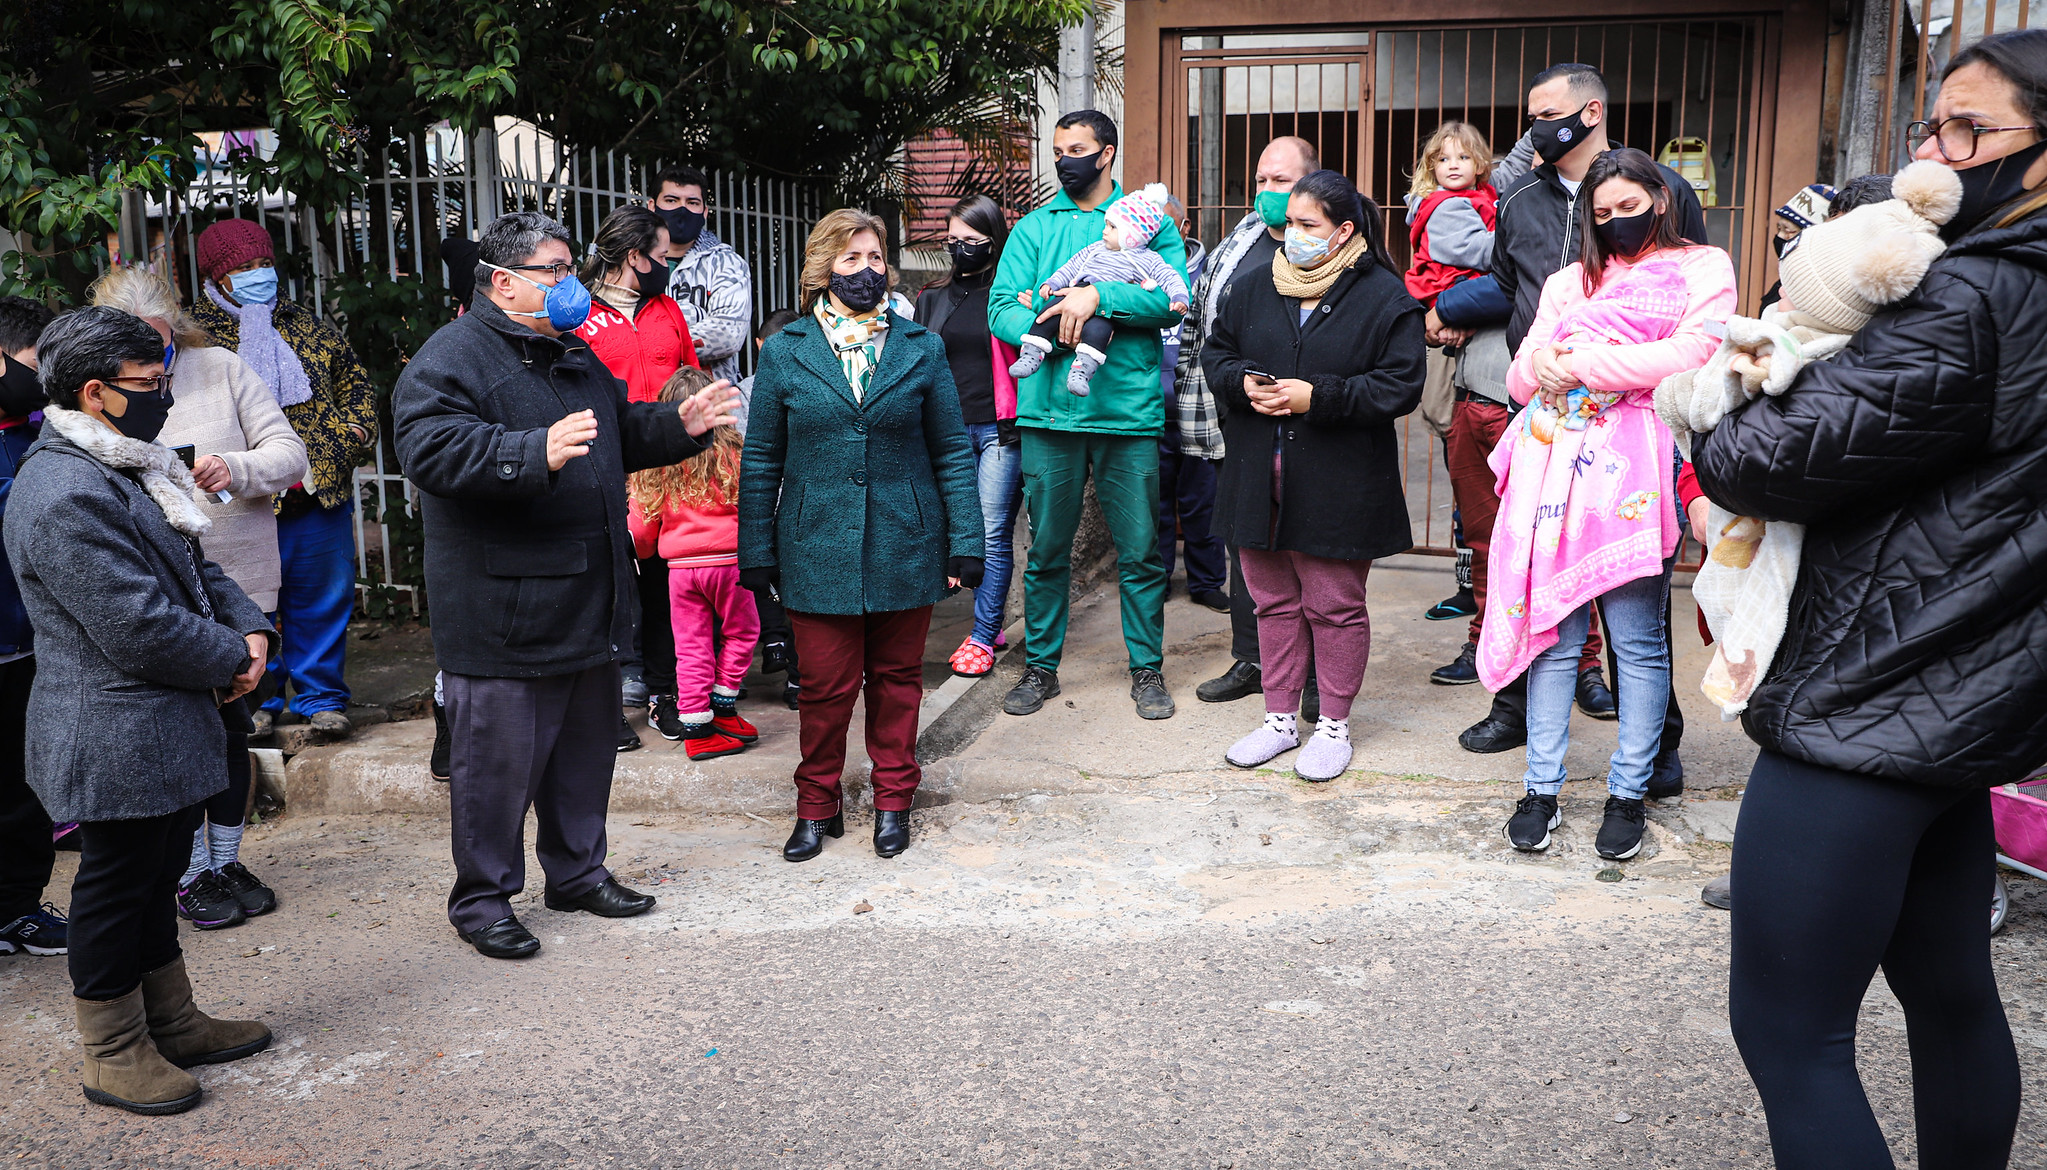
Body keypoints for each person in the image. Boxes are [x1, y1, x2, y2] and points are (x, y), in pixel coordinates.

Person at [1696, 30, 2047, 1165]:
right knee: (1949, 991)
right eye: (1931, 126)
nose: (1933, 155)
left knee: (1789, 1034)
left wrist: (1735, 387)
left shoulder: (1975, 293)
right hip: (1973, 694)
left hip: (1872, 698)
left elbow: (1756, 460)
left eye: (1969, 131)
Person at [392, 211, 740, 960]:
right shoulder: (450, 357)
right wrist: (532, 452)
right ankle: (483, 901)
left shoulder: (570, 349)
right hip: (505, 609)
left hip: (589, 595)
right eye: (552, 270)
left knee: (584, 755)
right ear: (503, 282)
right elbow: (429, 451)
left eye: (566, 267)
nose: (568, 282)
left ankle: (577, 873)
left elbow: (618, 429)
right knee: (496, 771)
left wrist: (678, 424)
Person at [5, 306, 277, 1115]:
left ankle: (173, 1021)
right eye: (151, 383)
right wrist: (229, 658)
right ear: (95, 393)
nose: (165, 397)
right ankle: (113, 1051)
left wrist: (249, 631)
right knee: (116, 886)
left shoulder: (128, 463)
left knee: (158, 875)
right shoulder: (62, 490)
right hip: (113, 729)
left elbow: (195, 569)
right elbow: (137, 625)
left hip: (161, 720)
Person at [1482, 148, 1734, 862]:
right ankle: (1540, 788)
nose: (1617, 221)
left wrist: (1580, 365)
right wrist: (1545, 365)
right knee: (1555, 641)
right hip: (1553, 477)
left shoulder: (1702, 267)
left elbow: (1695, 355)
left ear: (1660, 199)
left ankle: (1628, 792)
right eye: (1602, 213)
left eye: (1629, 207)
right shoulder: (1570, 281)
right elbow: (1521, 376)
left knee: (1637, 642)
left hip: (1635, 476)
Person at [1455, 61, 1708, 767]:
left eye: (1546, 113)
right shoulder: (1519, 196)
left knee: (1636, 612)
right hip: (1546, 418)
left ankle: (1655, 748)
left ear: (1590, 112)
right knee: (1529, 580)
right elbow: (1509, 286)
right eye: (1532, 115)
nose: (1534, 127)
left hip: (1635, 432)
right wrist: (1458, 314)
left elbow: (1687, 303)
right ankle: (1513, 712)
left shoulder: (1664, 187)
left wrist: (1587, 365)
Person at [740, 208, 982, 863]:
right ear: (824, 269)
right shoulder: (786, 351)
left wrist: (967, 540)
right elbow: (760, 458)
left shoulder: (920, 346)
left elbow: (951, 451)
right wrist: (755, 549)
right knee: (823, 689)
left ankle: (893, 800)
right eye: (851, 259)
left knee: (897, 681)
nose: (866, 270)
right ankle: (816, 806)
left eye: (875, 258)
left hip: (906, 539)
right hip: (814, 543)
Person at [89, 267, 310, 931]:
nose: (152, 359)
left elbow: (290, 455)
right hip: (157, 594)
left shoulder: (221, 368)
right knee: (183, 735)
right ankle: (187, 873)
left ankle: (225, 861)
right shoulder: (97, 393)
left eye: (159, 342)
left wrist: (234, 468)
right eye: (134, 346)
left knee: (235, 727)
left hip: (237, 582)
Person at [1201, 170, 1426, 781]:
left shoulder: (1384, 296)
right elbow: (1216, 352)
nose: (1292, 235)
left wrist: (1316, 397)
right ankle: (1279, 721)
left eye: (1308, 225)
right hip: (1258, 475)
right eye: (1290, 223)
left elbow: (1400, 385)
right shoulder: (1256, 284)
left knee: (1334, 606)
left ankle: (1333, 726)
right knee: (1272, 603)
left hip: (1338, 483)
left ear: (1343, 230)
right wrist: (1242, 382)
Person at [989, 109, 1187, 721]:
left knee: (1141, 551)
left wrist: (1099, 295)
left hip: (1125, 412)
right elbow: (1001, 308)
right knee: (1046, 550)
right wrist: (1057, 325)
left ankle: (1147, 668)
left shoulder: (1148, 220)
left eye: (1077, 149)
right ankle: (1040, 668)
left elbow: (1172, 300)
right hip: (1049, 414)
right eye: (1058, 150)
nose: (1064, 161)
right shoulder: (1034, 228)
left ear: (1107, 154)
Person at [191, 218, 376, 740]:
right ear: (217, 277)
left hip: (316, 493)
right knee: (250, 604)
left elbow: (355, 384)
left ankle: (322, 699)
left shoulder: (304, 324)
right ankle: (258, 700)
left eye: (264, 264)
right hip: (242, 499)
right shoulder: (196, 339)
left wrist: (350, 434)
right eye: (244, 268)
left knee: (322, 598)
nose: (259, 274)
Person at [1180, 136, 1319, 711]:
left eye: (1280, 181)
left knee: (1309, 549)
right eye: (1261, 180)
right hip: (1240, 415)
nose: (1266, 191)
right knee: (1245, 541)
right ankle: (1253, 658)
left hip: (1310, 422)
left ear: (1309, 183)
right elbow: (1211, 333)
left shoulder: (1328, 246)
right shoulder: (1240, 243)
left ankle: (1315, 672)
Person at [575, 204, 702, 750]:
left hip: (669, 471)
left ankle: (664, 693)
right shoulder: (579, 315)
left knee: (663, 588)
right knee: (607, 591)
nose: (668, 264)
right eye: (661, 256)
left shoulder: (668, 310)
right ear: (634, 256)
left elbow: (692, 378)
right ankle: (604, 707)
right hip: (606, 469)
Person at [916, 195, 1025, 678]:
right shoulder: (931, 297)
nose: (960, 249)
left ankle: (982, 635)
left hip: (999, 427)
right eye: (952, 239)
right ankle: (991, 619)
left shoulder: (1010, 295)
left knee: (991, 529)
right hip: (945, 432)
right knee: (948, 530)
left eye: (972, 240)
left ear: (994, 241)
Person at [628, 364, 759, 756]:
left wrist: (646, 551)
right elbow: (755, 507)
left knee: (691, 647)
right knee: (742, 632)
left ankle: (696, 726)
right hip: (729, 563)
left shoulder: (656, 460)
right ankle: (723, 703)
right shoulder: (735, 453)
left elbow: (640, 531)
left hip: (680, 572)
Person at [0, 294, 65, 961]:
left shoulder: (38, 434)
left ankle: (16, 909)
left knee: (24, 787)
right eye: (30, 362)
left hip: (28, 647)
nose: (40, 378)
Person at [1006, 183, 1190, 396]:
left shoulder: (1149, 259)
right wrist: (1052, 284)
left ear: (1132, 234)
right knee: (1046, 315)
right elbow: (1071, 267)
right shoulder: (1095, 249)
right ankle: (1031, 353)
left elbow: (1170, 277)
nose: (1104, 231)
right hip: (1075, 291)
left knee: (1099, 333)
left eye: (1112, 227)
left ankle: (1082, 372)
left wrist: (1179, 297)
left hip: (1106, 310)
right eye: (1106, 225)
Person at [1156, 194, 1226, 615]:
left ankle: (1207, 581)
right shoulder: (1135, 268)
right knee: (1155, 503)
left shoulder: (1211, 271)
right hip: (1150, 410)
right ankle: (1158, 578)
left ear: (1184, 229)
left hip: (1200, 408)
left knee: (1204, 501)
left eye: (1165, 226)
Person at [739, 308, 803, 711]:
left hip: (764, 505)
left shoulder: (743, 392)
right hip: (795, 506)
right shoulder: (812, 383)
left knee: (766, 584)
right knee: (797, 598)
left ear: (759, 344)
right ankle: (796, 679)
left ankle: (775, 645)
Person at [653, 165, 754, 385]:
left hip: (712, 395)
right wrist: (696, 318)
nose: (682, 209)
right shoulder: (632, 261)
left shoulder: (726, 263)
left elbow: (728, 334)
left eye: (692, 202)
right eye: (671, 200)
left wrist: (652, 342)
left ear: (705, 212)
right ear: (652, 206)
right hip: (644, 396)